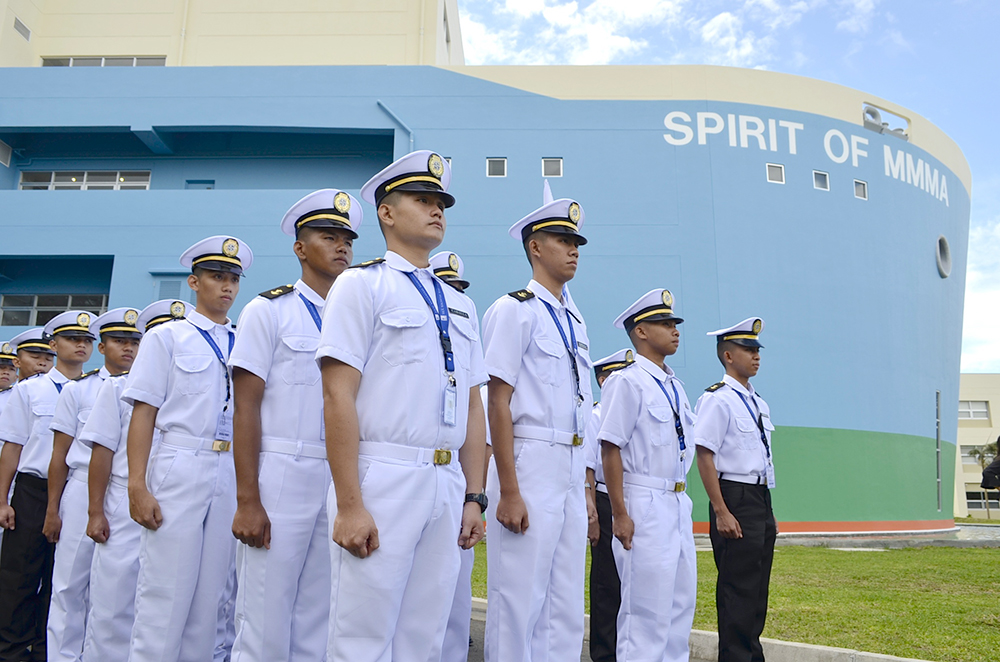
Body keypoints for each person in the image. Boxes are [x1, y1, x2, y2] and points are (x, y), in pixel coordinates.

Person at [317, 150, 487, 661]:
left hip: (444, 481)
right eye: (423, 199)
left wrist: (474, 494)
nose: (437, 210)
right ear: (387, 213)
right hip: (382, 475)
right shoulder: (361, 285)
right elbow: (337, 394)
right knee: (362, 636)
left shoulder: (459, 303)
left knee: (425, 637)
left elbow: (473, 405)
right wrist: (349, 503)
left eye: (441, 203)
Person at [229, 188, 360, 661]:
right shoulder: (269, 311)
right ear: (300, 248)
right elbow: (246, 408)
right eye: (329, 237)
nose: (343, 246)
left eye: (348, 238)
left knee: (320, 617)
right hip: (283, 471)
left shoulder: (360, 316)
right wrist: (247, 499)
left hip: (339, 477)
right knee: (263, 614)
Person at [123, 236, 253, 662]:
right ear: (194, 283)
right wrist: (137, 485)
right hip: (180, 460)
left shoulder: (245, 341)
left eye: (233, 279)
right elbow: (144, 414)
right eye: (217, 277)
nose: (227, 287)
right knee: (165, 590)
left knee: (212, 595)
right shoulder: (168, 338)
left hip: (230, 466)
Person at [482, 187, 593, 662]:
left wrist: (586, 490)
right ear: (534, 247)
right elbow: (497, 401)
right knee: (518, 600)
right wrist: (507, 489)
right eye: (561, 240)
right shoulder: (514, 310)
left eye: (575, 243)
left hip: (569, 467)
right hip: (529, 462)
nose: (572, 250)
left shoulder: (575, 319)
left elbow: (582, 406)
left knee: (565, 603)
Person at [79, 299, 183, 661]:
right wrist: (95, 512)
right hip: (123, 502)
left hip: (174, 500)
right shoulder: (117, 388)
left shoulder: (189, 384)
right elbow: (102, 453)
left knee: (161, 602)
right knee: (112, 602)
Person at [599, 289, 697, 662]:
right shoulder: (627, 381)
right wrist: (620, 513)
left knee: (678, 608)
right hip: (644, 501)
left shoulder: (674, 386)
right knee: (645, 614)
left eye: (675, 324)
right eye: (665, 324)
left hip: (675, 501)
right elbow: (611, 448)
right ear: (641, 331)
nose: (674, 330)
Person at [45, 308, 142, 661]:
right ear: (102, 347)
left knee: (117, 585)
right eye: (119, 341)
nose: (128, 349)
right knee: (70, 582)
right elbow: (59, 455)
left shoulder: (146, 389)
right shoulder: (78, 391)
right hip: (81, 483)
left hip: (122, 490)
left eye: (134, 342)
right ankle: (62, 656)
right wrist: (53, 509)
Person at [0, 310, 96, 660]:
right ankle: (11, 650)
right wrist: (2, 500)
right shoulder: (29, 391)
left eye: (87, 341)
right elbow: (13, 447)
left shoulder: (97, 390)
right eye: (73, 339)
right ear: (53, 345)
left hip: (79, 487)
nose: (81, 345)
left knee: (64, 577)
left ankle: (48, 650)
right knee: (19, 575)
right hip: (33, 490)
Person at [694, 317, 776, 662]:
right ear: (728, 356)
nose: (756, 355)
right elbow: (704, 455)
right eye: (748, 349)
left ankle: (751, 656)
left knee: (757, 591)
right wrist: (721, 510)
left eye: (757, 349)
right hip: (734, 496)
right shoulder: (718, 399)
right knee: (737, 588)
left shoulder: (758, 402)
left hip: (760, 497)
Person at [432, 250, 483, 662]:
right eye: (445, 284)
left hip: (455, 481)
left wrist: (475, 496)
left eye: (459, 287)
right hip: (407, 469)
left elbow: (474, 422)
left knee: (456, 586)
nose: (454, 293)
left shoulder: (466, 332)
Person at [585, 348, 634, 662]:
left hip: (632, 498)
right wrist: (590, 509)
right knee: (606, 581)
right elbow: (588, 466)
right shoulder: (595, 415)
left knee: (631, 580)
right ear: (603, 380)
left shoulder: (630, 412)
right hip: (603, 499)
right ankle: (604, 653)